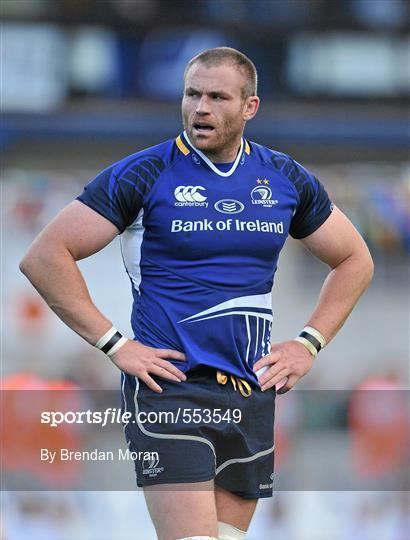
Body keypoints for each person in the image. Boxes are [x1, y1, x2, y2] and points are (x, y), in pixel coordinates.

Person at [20, 47, 374, 540]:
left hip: (251, 390)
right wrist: (116, 344)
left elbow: (355, 259)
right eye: (191, 94)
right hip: (170, 387)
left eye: (217, 97)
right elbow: (45, 256)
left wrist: (308, 342)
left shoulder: (283, 177)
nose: (200, 108)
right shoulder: (144, 174)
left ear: (250, 106)